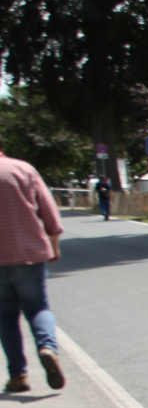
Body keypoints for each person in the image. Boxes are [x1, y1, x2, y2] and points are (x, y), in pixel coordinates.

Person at [0, 133, 65, 393]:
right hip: (29, 254)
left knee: (4, 316)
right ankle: (47, 347)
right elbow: (50, 214)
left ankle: (18, 375)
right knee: (38, 307)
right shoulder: (23, 169)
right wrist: (54, 246)